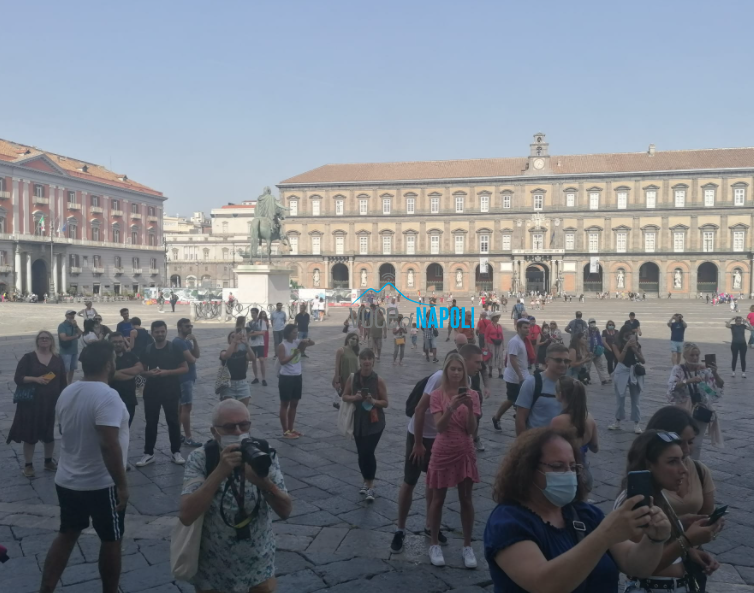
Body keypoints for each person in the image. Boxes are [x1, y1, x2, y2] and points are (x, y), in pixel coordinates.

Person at [484, 428, 671, 593]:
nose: (568, 474)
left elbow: (634, 564)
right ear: (527, 469)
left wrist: (654, 540)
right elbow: (545, 584)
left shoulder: (585, 514)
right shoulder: (508, 523)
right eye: (557, 466)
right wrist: (604, 535)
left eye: (573, 467)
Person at [38, 341, 130, 593]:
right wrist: (122, 485)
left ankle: (45, 589)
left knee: (67, 534)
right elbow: (109, 444)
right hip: (101, 483)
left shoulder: (68, 391)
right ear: (109, 364)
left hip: (67, 479)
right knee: (111, 539)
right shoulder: (108, 396)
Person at [178, 399, 291, 593]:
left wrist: (263, 482)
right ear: (215, 432)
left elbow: (286, 510)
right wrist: (219, 472)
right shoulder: (201, 458)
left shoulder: (264, 454)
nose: (238, 432)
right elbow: (186, 515)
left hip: (259, 564)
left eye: (244, 425)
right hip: (213, 568)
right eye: (230, 427)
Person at [615, 431, 723, 591]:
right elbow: (643, 568)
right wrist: (687, 541)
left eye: (682, 460)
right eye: (672, 462)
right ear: (649, 465)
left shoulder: (656, 494)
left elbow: (659, 544)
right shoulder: (636, 503)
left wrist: (683, 532)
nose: (684, 469)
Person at [426, 353, 481, 568]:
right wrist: (451, 407)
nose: (456, 373)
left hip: (465, 450)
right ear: (446, 370)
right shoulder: (436, 395)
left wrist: (469, 408)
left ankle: (467, 545)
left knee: (466, 499)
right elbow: (439, 427)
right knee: (437, 499)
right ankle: (434, 543)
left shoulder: (473, 395)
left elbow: (472, 430)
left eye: (460, 369)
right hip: (443, 450)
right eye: (453, 369)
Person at [7, 331, 67, 477]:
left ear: (51, 341)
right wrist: (35, 379)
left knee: (49, 433)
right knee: (30, 432)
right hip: (31, 403)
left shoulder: (58, 358)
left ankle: (48, 461)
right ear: (37, 341)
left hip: (51, 402)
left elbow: (62, 380)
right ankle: (28, 465)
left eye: (47, 338)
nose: (44, 340)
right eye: (41, 338)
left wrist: (64, 398)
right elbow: (18, 378)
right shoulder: (28, 358)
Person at [645, 407, 716, 522]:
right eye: (679, 443)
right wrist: (681, 525)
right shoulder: (644, 475)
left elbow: (707, 513)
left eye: (690, 442)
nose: (686, 450)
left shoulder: (700, 470)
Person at [135, 320, 188, 467]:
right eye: (157, 332)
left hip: (171, 390)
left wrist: (167, 372)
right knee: (151, 422)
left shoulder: (174, 348)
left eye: (162, 331)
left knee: (173, 421)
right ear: (152, 333)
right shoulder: (147, 350)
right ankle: (148, 453)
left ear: (166, 331)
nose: (160, 334)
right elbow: (142, 370)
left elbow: (185, 368)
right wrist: (149, 373)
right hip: (152, 391)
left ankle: (176, 451)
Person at [341, 348, 388, 502]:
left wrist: (373, 401)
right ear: (360, 361)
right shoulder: (353, 378)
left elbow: (385, 402)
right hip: (358, 421)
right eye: (364, 359)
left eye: (369, 358)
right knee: (361, 453)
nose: (367, 361)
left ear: (373, 361)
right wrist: (354, 397)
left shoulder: (378, 380)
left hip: (375, 422)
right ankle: (365, 481)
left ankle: (371, 485)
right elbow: (344, 396)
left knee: (368, 452)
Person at [667, 342, 724, 460]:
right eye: (692, 355)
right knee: (682, 440)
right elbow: (671, 386)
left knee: (697, 443)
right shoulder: (678, 369)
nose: (695, 358)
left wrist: (715, 373)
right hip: (684, 410)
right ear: (685, 356)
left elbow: (715, 389)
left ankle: (693, 465)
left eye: (697, 355)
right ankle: (681, 462)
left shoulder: (703, 370)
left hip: (701, 410)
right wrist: (688, 381)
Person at [550, 376, 599, 492]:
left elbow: (551, 449)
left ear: (560, 395)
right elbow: (595, 448)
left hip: (565, 474)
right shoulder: (589, 418)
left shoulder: (557, 421)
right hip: (584, 471)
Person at [515, 343, 571, 435]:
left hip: (562, 440)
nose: (563, 364)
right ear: (547, 361)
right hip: (537, 440)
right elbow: (520, 418)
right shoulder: (532, 383)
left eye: (566, 361)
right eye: (558, 360)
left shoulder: (570, 384)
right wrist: (523, 442)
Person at [492, 318, 531, 430]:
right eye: (525, 327)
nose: (528, 330)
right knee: (515, 399)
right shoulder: (515, 341)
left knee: (512, 399)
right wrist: (520, 376)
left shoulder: (521, 340)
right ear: (518, 328)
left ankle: (497, 417)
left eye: (528, 327)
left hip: (521, 375)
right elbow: (512, 359)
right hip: (515, 377)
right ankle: (520, 419)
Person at [277, 324, 315, 439]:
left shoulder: (297, 342)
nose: (296, 334)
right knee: (285, 404)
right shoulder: (282, 345)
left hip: (297, 375)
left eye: (297, 332)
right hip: (286, 377)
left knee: (294, 403)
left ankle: (291, 428)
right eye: (294, 332)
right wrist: (293, 354)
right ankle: (285, 431)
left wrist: (307, 341)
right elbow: (282, 361)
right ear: (288, 333)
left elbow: (312, 343)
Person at [609, 323, 645, 434]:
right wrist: (626, 346)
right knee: (620, 397)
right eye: (627, 335)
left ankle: (637, 424)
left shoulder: (636, 344)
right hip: (622, 370)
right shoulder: (616, 344)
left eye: (630, 334)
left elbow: (643, 360)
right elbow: (620, 359)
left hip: (634, 371)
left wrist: (635, 349)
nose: (629, 337)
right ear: (622, 334)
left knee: (636, 399)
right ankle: (617, 421)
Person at [173, 318, 202, 447]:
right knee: (186, 407)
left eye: (191, 326)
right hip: (184, 379)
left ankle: (177, 434)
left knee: (181, 408)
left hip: (188, 377)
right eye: (187, 326)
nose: (189, 328)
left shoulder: (186, 341)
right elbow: (192, 359)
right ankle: (188, 437)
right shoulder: (179, 342)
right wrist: (193, 357)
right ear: (180, 327)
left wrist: (195, 340)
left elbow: (197, 355)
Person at [108, 333, 143, 428]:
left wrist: (118, 372)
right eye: (115, 342)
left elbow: (139, 368)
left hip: (129, 399)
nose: (118, 344)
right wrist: (131, 374)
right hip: (111, 401)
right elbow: (111, 376)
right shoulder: (106, 358)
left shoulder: (130, 355)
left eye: (120, 341)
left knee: (126, 429)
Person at [219, 329, 255, 406]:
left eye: (236, 337)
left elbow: (253, 358)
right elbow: (227, 356)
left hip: (242, 384)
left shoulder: (243, 353)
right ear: (229, 340)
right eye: (232, 337)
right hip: (228, 384)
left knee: (243, 409)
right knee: (229, 409)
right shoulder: (223, 352)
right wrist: (234, 341)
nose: (235, 338)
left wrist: (247, 344)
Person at [333, 332, 360, 410]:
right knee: (344, 398)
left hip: (354, 378)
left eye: (356, 340)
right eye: (353, 338)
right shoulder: (341, 350)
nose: (354, 341)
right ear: (348, 339)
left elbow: (357, 366)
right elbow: (337, 366)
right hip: (344, 377)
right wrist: (337, 381)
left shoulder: (355, 351)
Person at [58, 309, 82, 384]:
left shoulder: (74, 325)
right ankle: (63, 383)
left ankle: (69, 382)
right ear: (66, 316)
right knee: (65, 369)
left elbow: (81, 333)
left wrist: (76, 326)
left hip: (74, 350)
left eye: (73, 315)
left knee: (72, 368)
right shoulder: (62, 326)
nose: (71, 316)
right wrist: (75, 336)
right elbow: (63, 338)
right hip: (65, 351)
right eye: (70, 314)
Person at [247, 308, 269, 386]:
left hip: (260, 343)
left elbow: (263, 333)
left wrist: (253, 332)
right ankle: (256, 377)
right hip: (252, 344)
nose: (252, 314)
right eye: (251, 313)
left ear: (257, 313)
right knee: (253, 360)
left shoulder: (262, 322)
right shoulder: (249, 323)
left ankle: (263, 378)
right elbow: (248, 334)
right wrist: (257, 332)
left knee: (261, 360)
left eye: (253, 313)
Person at [586, 318, 609, 385]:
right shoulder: (586, 331)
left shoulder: (597, 330)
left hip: (597, 351)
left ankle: (603, 379)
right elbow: (584, 341)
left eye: (593, 322)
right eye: (591, 322)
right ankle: (587, 379)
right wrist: (587, 351)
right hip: (589, 352)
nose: (592, 323)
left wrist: (601, 347)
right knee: (588, 367)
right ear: (589, 323)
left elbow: (599, 338)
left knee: (600, 366)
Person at [485, 312, 505, 378]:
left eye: (498, 317)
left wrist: (503, 344)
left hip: (499, 343)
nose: (497, 318)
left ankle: (500, 373)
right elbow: (486, 336)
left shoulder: (499, 326)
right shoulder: (489, 326)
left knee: (500, 357)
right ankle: (490, 372)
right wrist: (486, 346)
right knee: (491, 357)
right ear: (493, 318)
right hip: (491, 343)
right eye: (496, 317)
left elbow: (502, 335)